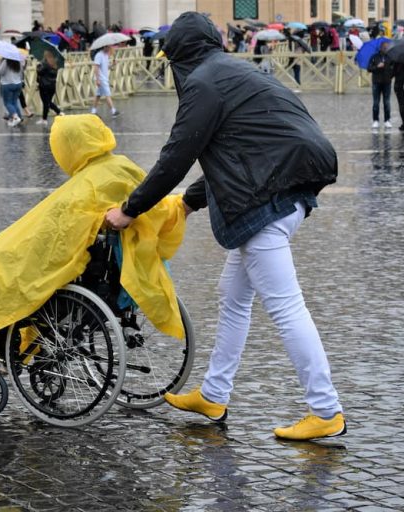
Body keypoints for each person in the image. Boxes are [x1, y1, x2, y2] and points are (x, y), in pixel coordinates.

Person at [104, 12, 345, 441]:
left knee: (287, 308)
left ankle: (325, 409)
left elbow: (177, 156)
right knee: (232, 297)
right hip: (285, 184)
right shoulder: (235, 71)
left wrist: (130, 209)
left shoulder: (203, 83)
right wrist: (192, 204)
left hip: (267, 198)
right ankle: (214, 393)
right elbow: (238, 152)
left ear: (179, 56)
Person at [0, 114, 186, 389]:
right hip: (110, 266)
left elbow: (53, 241)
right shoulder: (121, 167)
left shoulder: (86, 185)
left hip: (79, 268)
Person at [368, 41, 393, 129]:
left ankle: (387, 120)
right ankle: (375, 120)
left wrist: (390, 74)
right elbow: (369, 68)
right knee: (376, 103)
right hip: (376, 82)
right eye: (384, 47)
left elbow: (393, 69)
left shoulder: (390, 57)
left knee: (387, 102)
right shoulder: (374, 57)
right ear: (381, 48)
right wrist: (377, 67)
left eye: (387, 47)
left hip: (387, 82)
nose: (386, 49)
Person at [36, 50, 63, 125]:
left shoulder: (45, 64)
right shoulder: (55, 64)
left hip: (44, 86)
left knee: (46, 102)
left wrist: (38, 65)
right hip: (52, 86)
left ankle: (45, 119)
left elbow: (39, 72)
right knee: (48, 102)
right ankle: (58, 112)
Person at [91, 45, 119, 117]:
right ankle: (113, 111)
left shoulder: (106, 55)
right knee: (107, 94)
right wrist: (97, 79)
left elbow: (107, 67)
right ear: (105, 47)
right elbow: (96, 67)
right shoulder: (99, 55)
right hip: (101, 78)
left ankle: (93, 111)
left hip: (104, 77)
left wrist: (113, 64)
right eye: (109, 47)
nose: (111, 48)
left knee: (98, 95)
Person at [0, 57, 23, 127]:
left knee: (7, 103)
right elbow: (21, 73)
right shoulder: (18, 61)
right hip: (18, 83)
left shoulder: (6, 62)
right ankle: (19, 117)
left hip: (7, 84)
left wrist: (0, 63)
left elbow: (0, 72)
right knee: (14, 102)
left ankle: (15, 118)